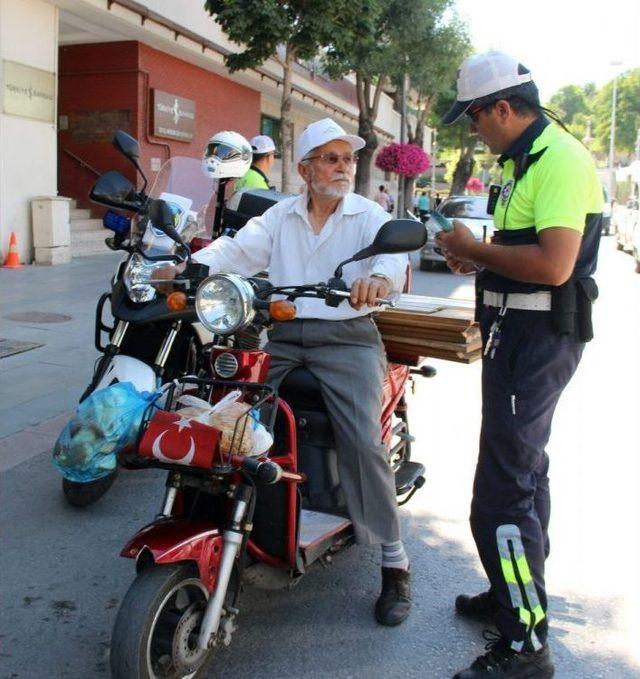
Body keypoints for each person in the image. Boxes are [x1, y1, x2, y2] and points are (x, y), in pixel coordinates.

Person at [155, 118, 412, 626]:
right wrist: (188, 268)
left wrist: (377, 284)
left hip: (349, 336)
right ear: (305, 168)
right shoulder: (279, 216)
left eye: (347, 159)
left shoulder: (368, 215)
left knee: (362, 439)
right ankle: (238, 520)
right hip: (287, 332)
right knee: (230, 415)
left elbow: (393, 261)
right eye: (331, 158)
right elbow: (235, 251)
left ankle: (394, 562)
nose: (342, 168)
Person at [436, 51, 602, 678]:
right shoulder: (523, 159)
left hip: (537, 338)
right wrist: (475, 257)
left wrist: (471, 248)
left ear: (502, 107)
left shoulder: (559, 158)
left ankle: (525, 645)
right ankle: (514, 595)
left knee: (501, 495)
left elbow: (555, 265)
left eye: (474, 118)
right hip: (518, 333)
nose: (472, 129)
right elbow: (517, 248)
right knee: (525, 475)